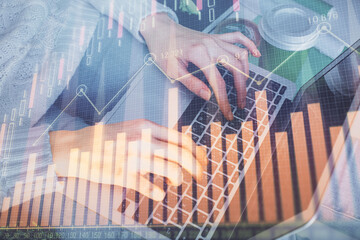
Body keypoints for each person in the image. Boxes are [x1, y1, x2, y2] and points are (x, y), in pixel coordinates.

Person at [0, 0, 260, 204]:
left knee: (216, 84)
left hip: (79, 26)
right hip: (22, 155)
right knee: (151, 204)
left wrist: (157, 25)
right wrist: (59, 151)